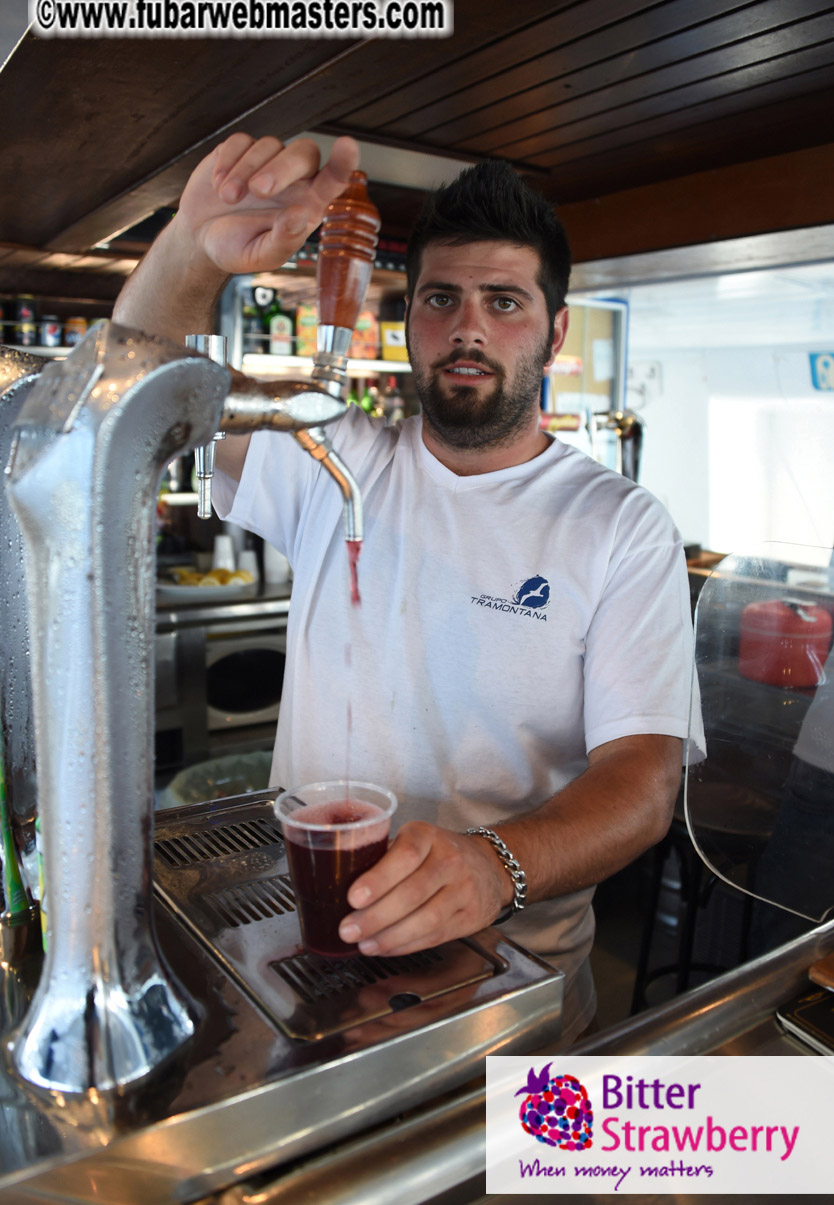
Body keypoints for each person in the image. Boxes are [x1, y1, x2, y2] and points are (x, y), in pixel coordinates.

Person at [115, 132, 702, 1041]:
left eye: (503, 302)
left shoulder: (619, 525)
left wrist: (494, 865)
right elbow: (139, 393)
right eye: (441, 299)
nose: (468, 327)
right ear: (408, 324)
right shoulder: (331, 457)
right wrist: (190, 246)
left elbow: (642, 782)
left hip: (514, 988)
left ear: (554, 333)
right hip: (309, 951)